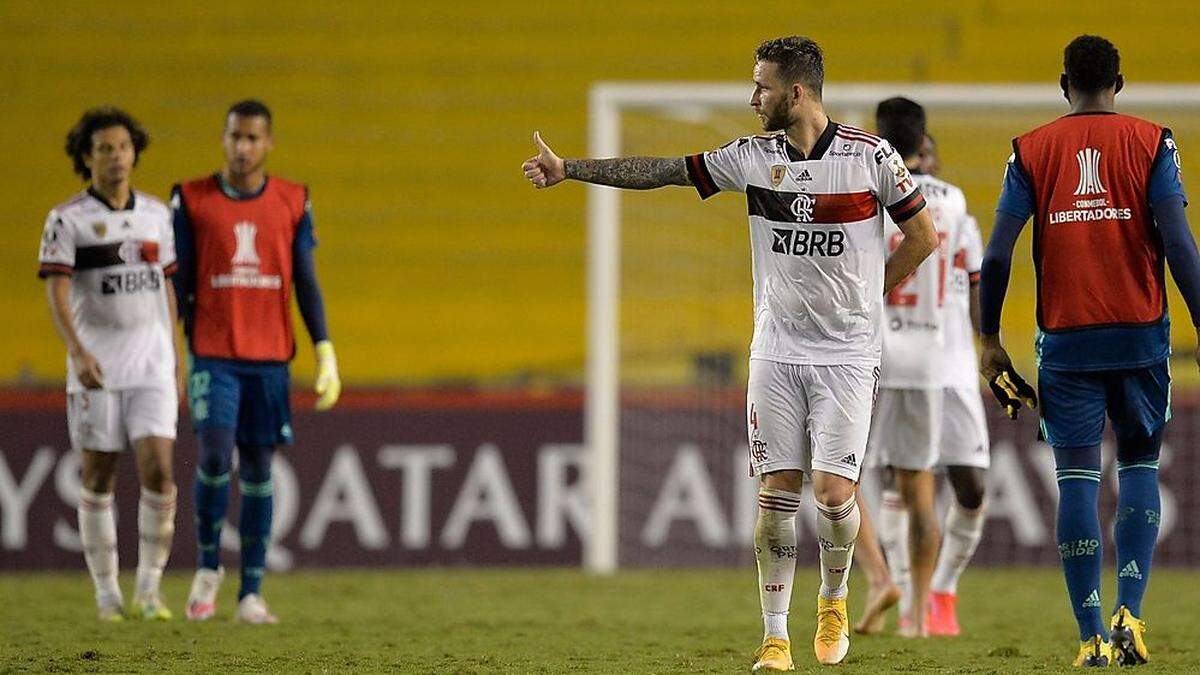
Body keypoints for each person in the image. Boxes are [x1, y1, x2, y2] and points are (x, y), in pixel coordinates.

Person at [524, 36, 937, 668]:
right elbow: (662, 171)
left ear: (796, 92)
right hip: (775, 347)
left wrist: (870, 295)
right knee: (776, 493)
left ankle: (834, 597)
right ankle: (774, 636)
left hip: (848, 355)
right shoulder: (750, 157)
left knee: (832, 493)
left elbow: (922, 235)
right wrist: (571, 168)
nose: (753, 98)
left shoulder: (870, 157)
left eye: (762, 87)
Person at [980, 35, 1197, 667]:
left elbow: (996, 256)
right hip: (1141, 337)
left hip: (1068, 345)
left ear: (1063, 84)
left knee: (1076, 483)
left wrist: (989, 339)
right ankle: (1132, 610)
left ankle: (1090, 636)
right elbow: (1179, 244)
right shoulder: (1154, 141)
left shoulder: (1029, 150)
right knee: (1138, 472)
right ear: (1119, 83)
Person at [172, 99, 341, 624]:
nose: (242, 148)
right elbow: (177, 285)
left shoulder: (293, 199)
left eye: (252, 139)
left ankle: (251, 593)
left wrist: (325, 349)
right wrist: (171, 350)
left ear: (268, 144)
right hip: (214, 353)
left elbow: (306, 281)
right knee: (218, 455)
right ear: (223, 140)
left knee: (262, 468)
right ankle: (206, 568)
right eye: (234, 137)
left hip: (270, 357)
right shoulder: (191, 199)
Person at [39, 107, 179, 621]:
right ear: (86, 157)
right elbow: (56, 290)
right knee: (99, 474)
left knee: (160, 470)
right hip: (97, 364)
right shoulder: (67, 219)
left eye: (123, 146)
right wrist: (77, 351)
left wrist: (176, 356)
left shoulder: (157, 216)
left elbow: (165, 284)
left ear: (135, 152)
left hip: (152, 362)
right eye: (104, 148)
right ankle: (106, 594)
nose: (116, 156)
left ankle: (148, 589)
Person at [865, 99, 979, 638]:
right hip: (932, 357)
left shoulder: (869, 190)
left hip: (873, 350)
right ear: (923, 141)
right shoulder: (954, 201)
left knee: (844, 477)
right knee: (920, 489)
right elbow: (967, 278)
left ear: (880, 137)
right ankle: (916, 617)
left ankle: (873, 583)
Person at [922, 133, 991, 637]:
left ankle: (942, 590)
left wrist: (990, 346)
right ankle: (904, 589)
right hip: (893, 364)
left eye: (927, 155)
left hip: (954, 370)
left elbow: (976, 293)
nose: (920, 165)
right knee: (902, 484)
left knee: (971, 487)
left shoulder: (962, 222)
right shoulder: (877, 214)